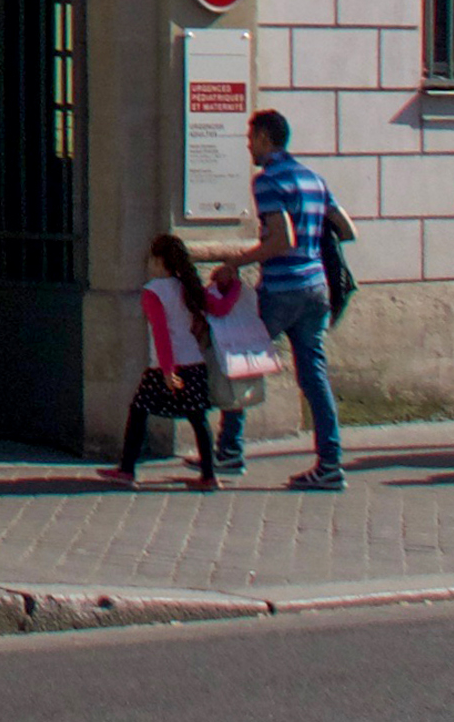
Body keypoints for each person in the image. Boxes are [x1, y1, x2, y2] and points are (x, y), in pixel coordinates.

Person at [246, 107, 350, 491]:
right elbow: (345, 227)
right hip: (317, 286)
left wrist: (236, 262)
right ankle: (330, 463)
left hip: (281, 287)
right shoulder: (313, 178)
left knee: (245, 361)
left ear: (264, 138)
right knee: (314, 376)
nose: (248, 145)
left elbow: (280, 240)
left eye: (250, 137)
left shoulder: (268, 181)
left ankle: (227, 449)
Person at [112, 230, 229, 489]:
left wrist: (166, 370)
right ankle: (209, 476)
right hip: (194, 363)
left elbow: (161, 334)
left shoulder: (153, 291)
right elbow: (219, 308)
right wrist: (232, 288)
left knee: (139, 411)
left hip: (165, 367)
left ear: (158, 261)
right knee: (198, 419)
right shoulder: (188, 287)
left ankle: (127, 470)